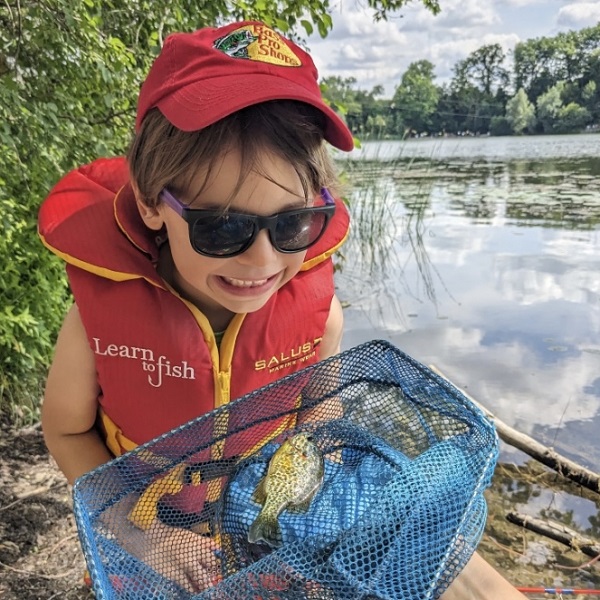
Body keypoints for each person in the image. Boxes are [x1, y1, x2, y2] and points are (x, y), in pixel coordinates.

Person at [39, 19, 526, 599]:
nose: (261, 261)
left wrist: (295, 508)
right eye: (223, 227)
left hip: (257, 528)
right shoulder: (95, 320)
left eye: (293, 222)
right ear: (150, 204)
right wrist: (136, 534)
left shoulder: (323, 318)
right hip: (145, 538)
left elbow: (311, 426)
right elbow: (66, 430)